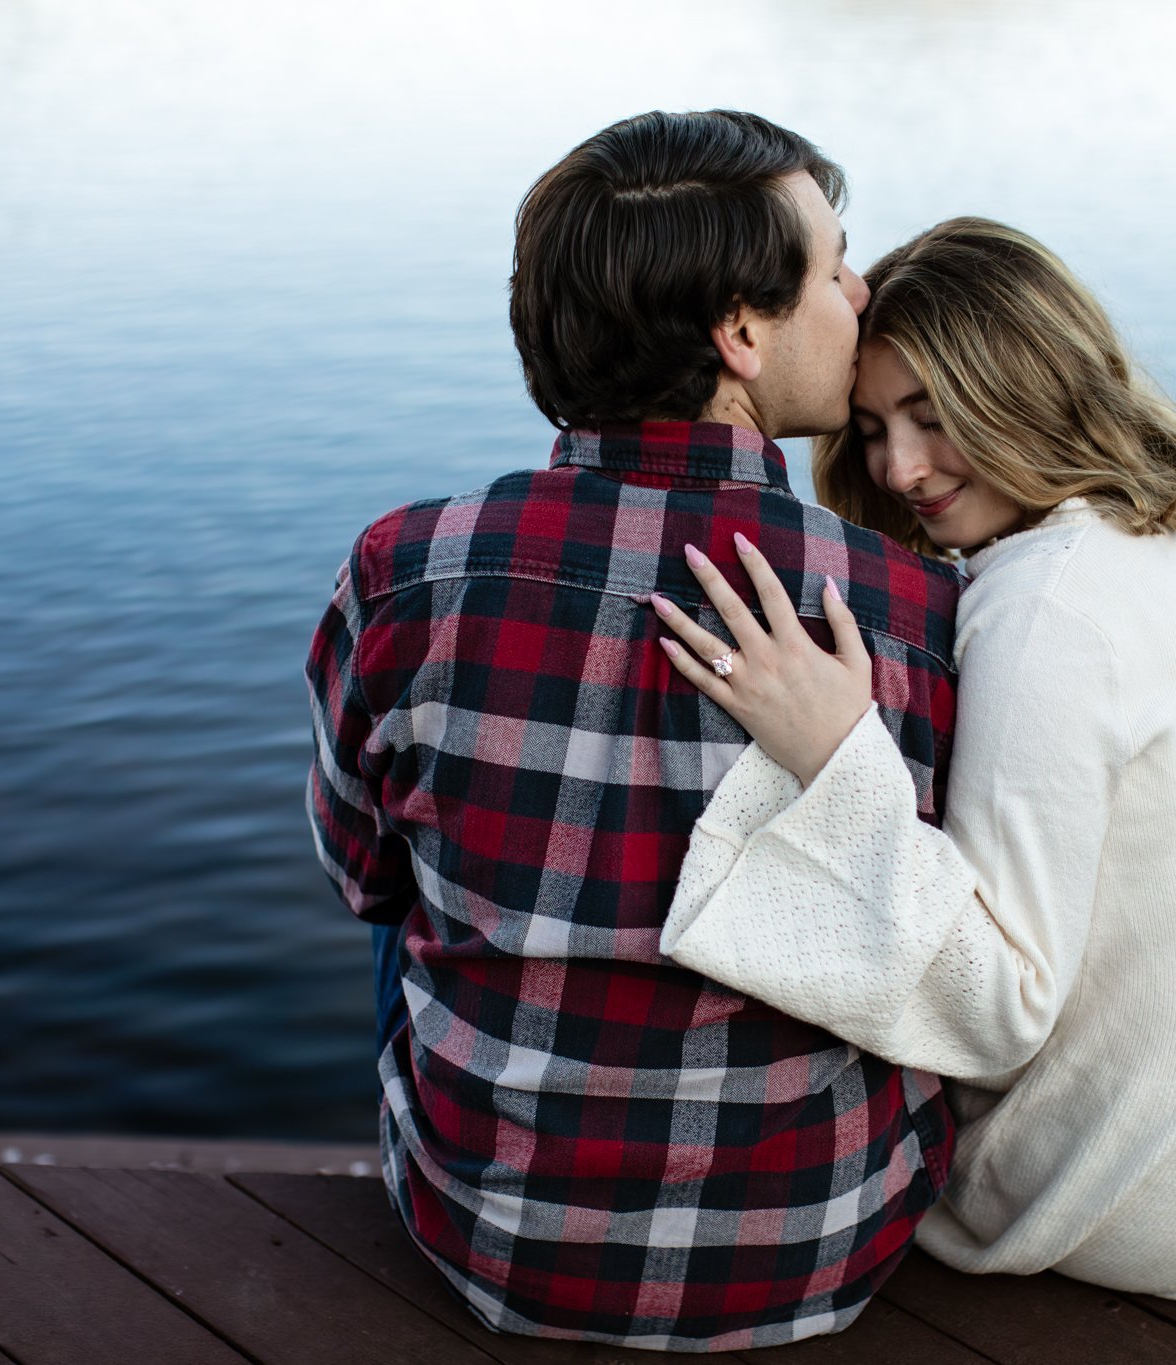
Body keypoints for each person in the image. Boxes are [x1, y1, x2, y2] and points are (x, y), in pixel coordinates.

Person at [650, 217, 1176, 1300]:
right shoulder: (1160, 520)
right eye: (873, 426)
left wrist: (837, 758)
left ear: (1022, 383)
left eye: (933, 417)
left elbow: (999, 1001)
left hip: (1171, 1184)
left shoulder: (1042, 608)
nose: (898, 468)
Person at [304, 112, 965, 1350]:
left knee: (403, 902)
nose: (861, 292)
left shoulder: (405, 570)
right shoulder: (911, 610)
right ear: (740, 331)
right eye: (832, 267)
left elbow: (359, 875)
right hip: (814, 1252)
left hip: (489, 1244)